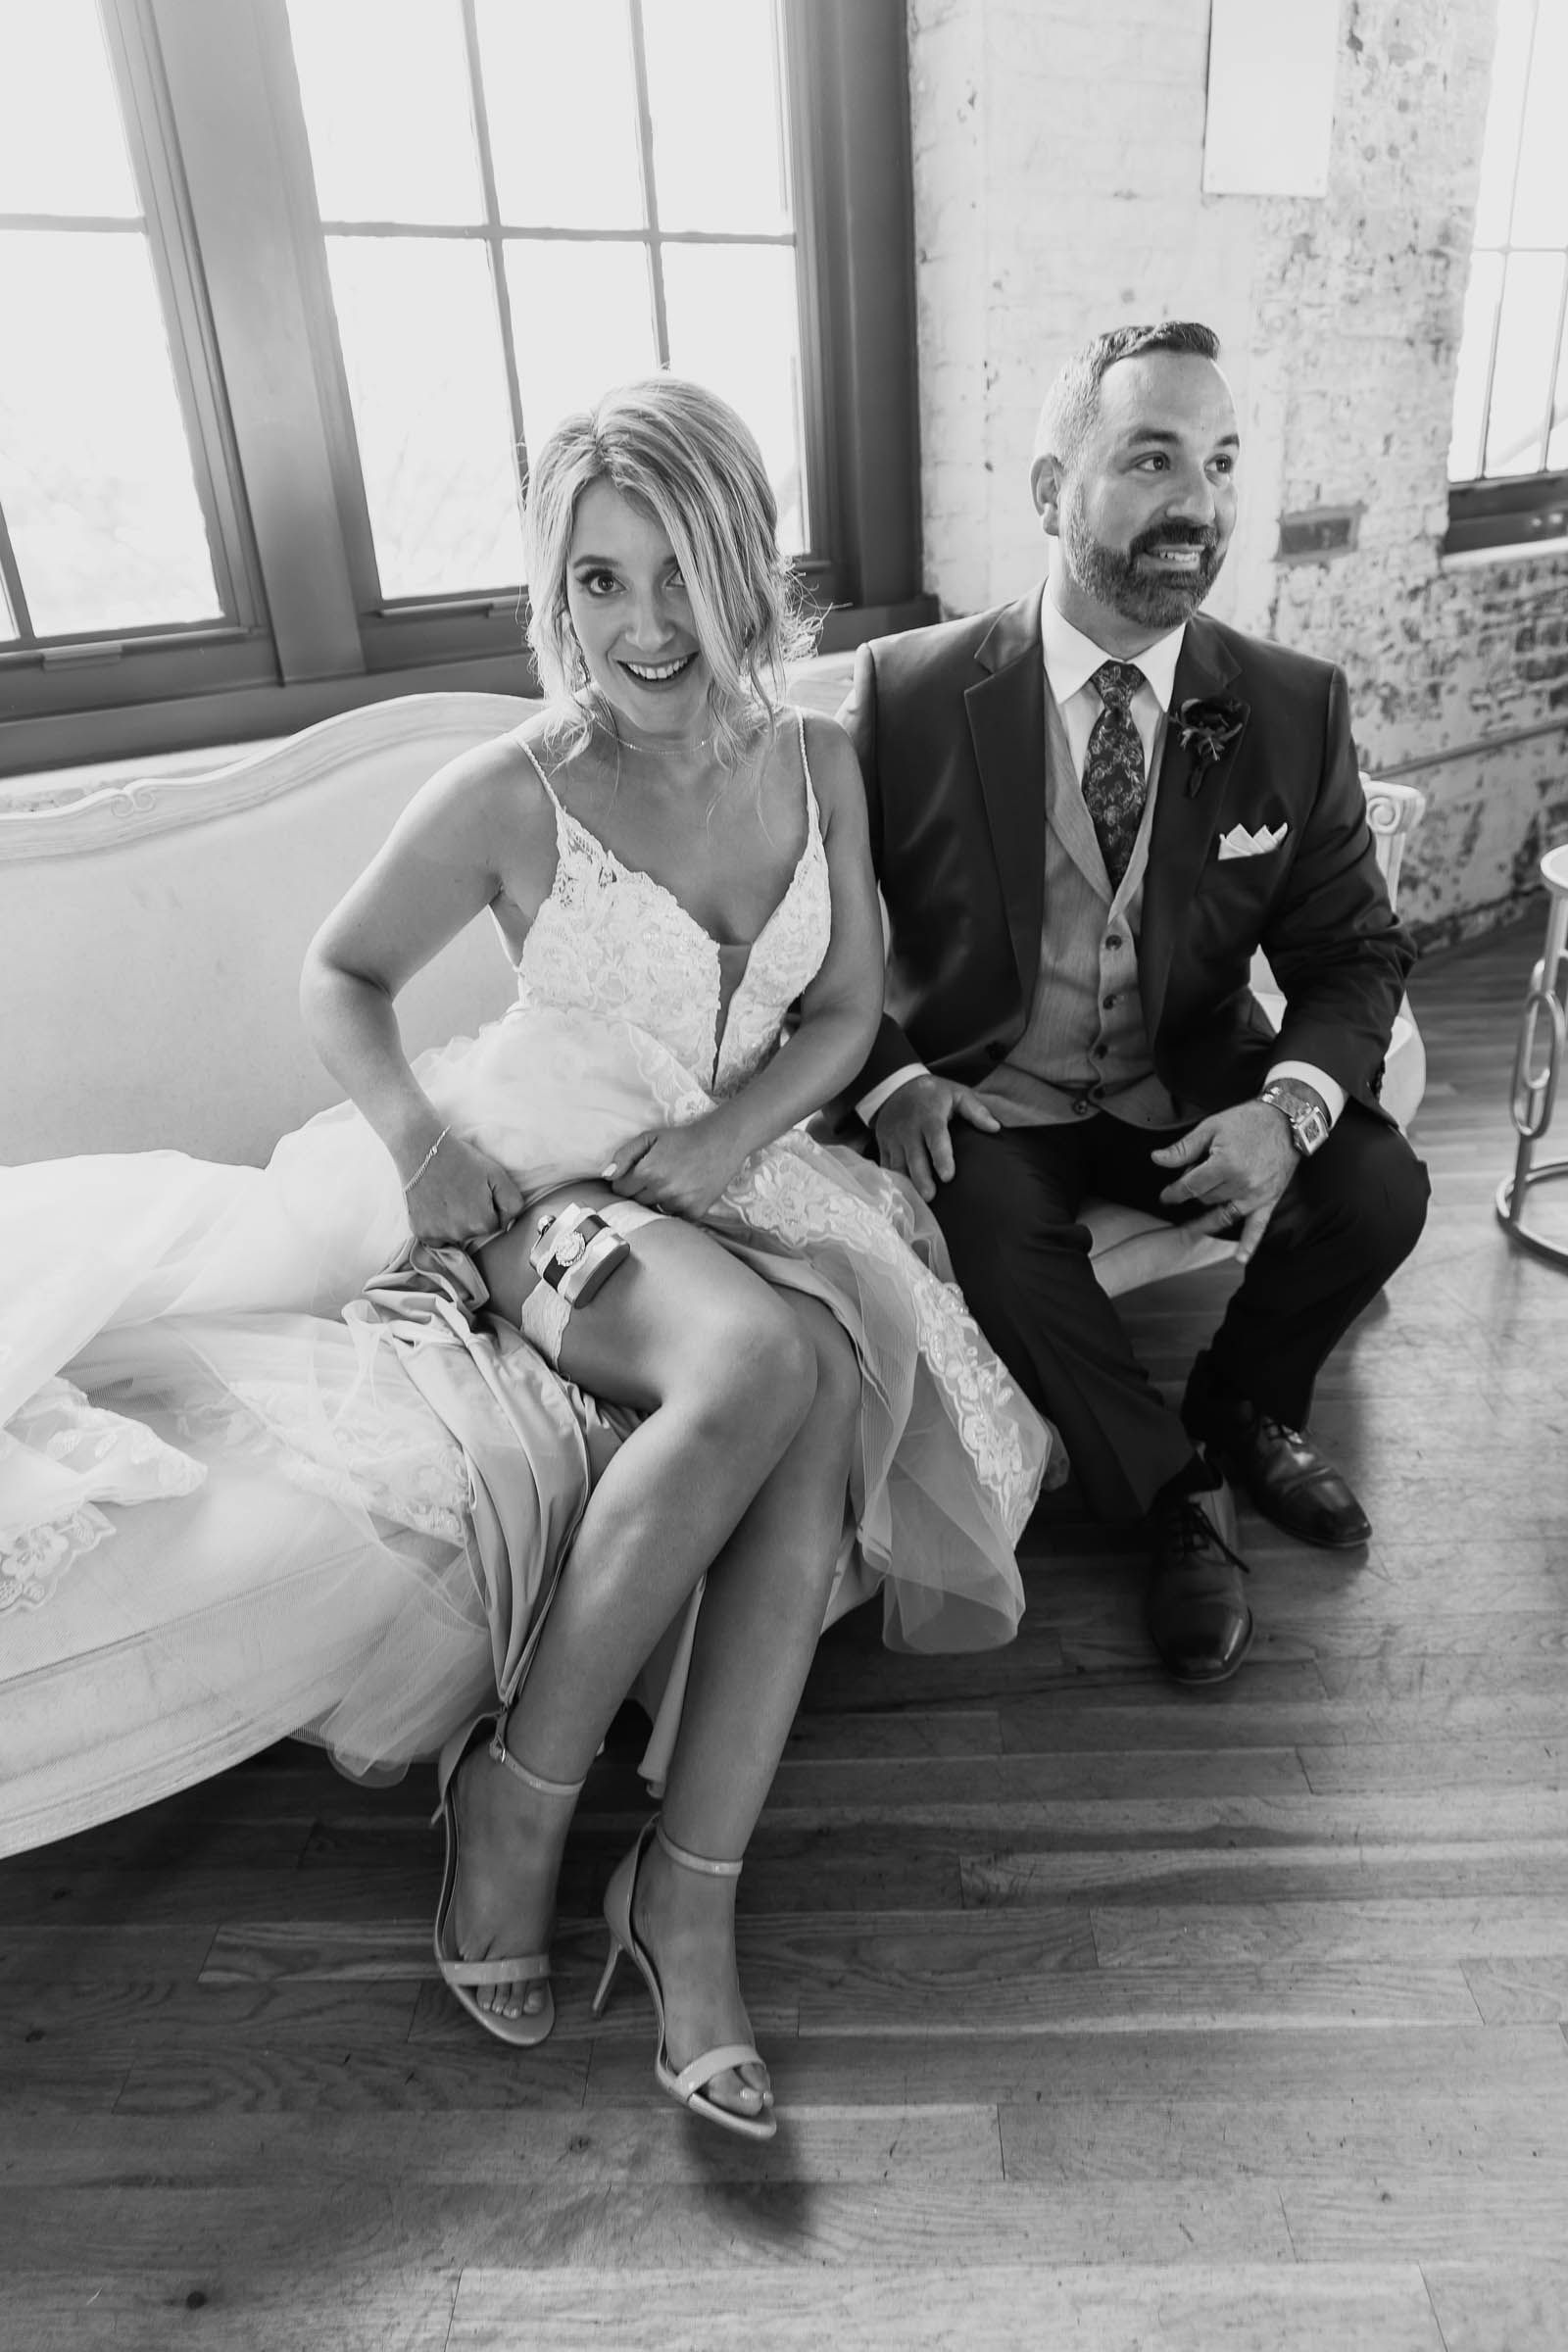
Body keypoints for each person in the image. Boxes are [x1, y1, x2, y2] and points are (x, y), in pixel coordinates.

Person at [0, 376, 1054, 2139]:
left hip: (747, 1182)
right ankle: (522, 1796)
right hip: (557, 1201)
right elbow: (342, 976)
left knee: (814, 1388)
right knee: (764, 1360)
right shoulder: (515, 790)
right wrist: (425, 1149)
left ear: (746, 562)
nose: (642, 625)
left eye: (676, 570)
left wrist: (732, 1135)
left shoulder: (818, 761)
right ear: (556, 594)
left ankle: (685, 1897)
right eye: (596, 580)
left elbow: (849, 1005)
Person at [838, 320, 1430, 1689]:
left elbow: (1353, 951)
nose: (1198, 504)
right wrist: (896, 1078)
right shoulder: (910, 694)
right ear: (1054, 491)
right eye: (1152, 459)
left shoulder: (1290, 706)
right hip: (994, 1098)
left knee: (1379, 1187)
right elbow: (818, 943)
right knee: (989, 1233)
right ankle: (1175, 1492)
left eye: (1219, 463)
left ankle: (1242, 1403)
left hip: (1185, 1085)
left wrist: (1287, 1111)